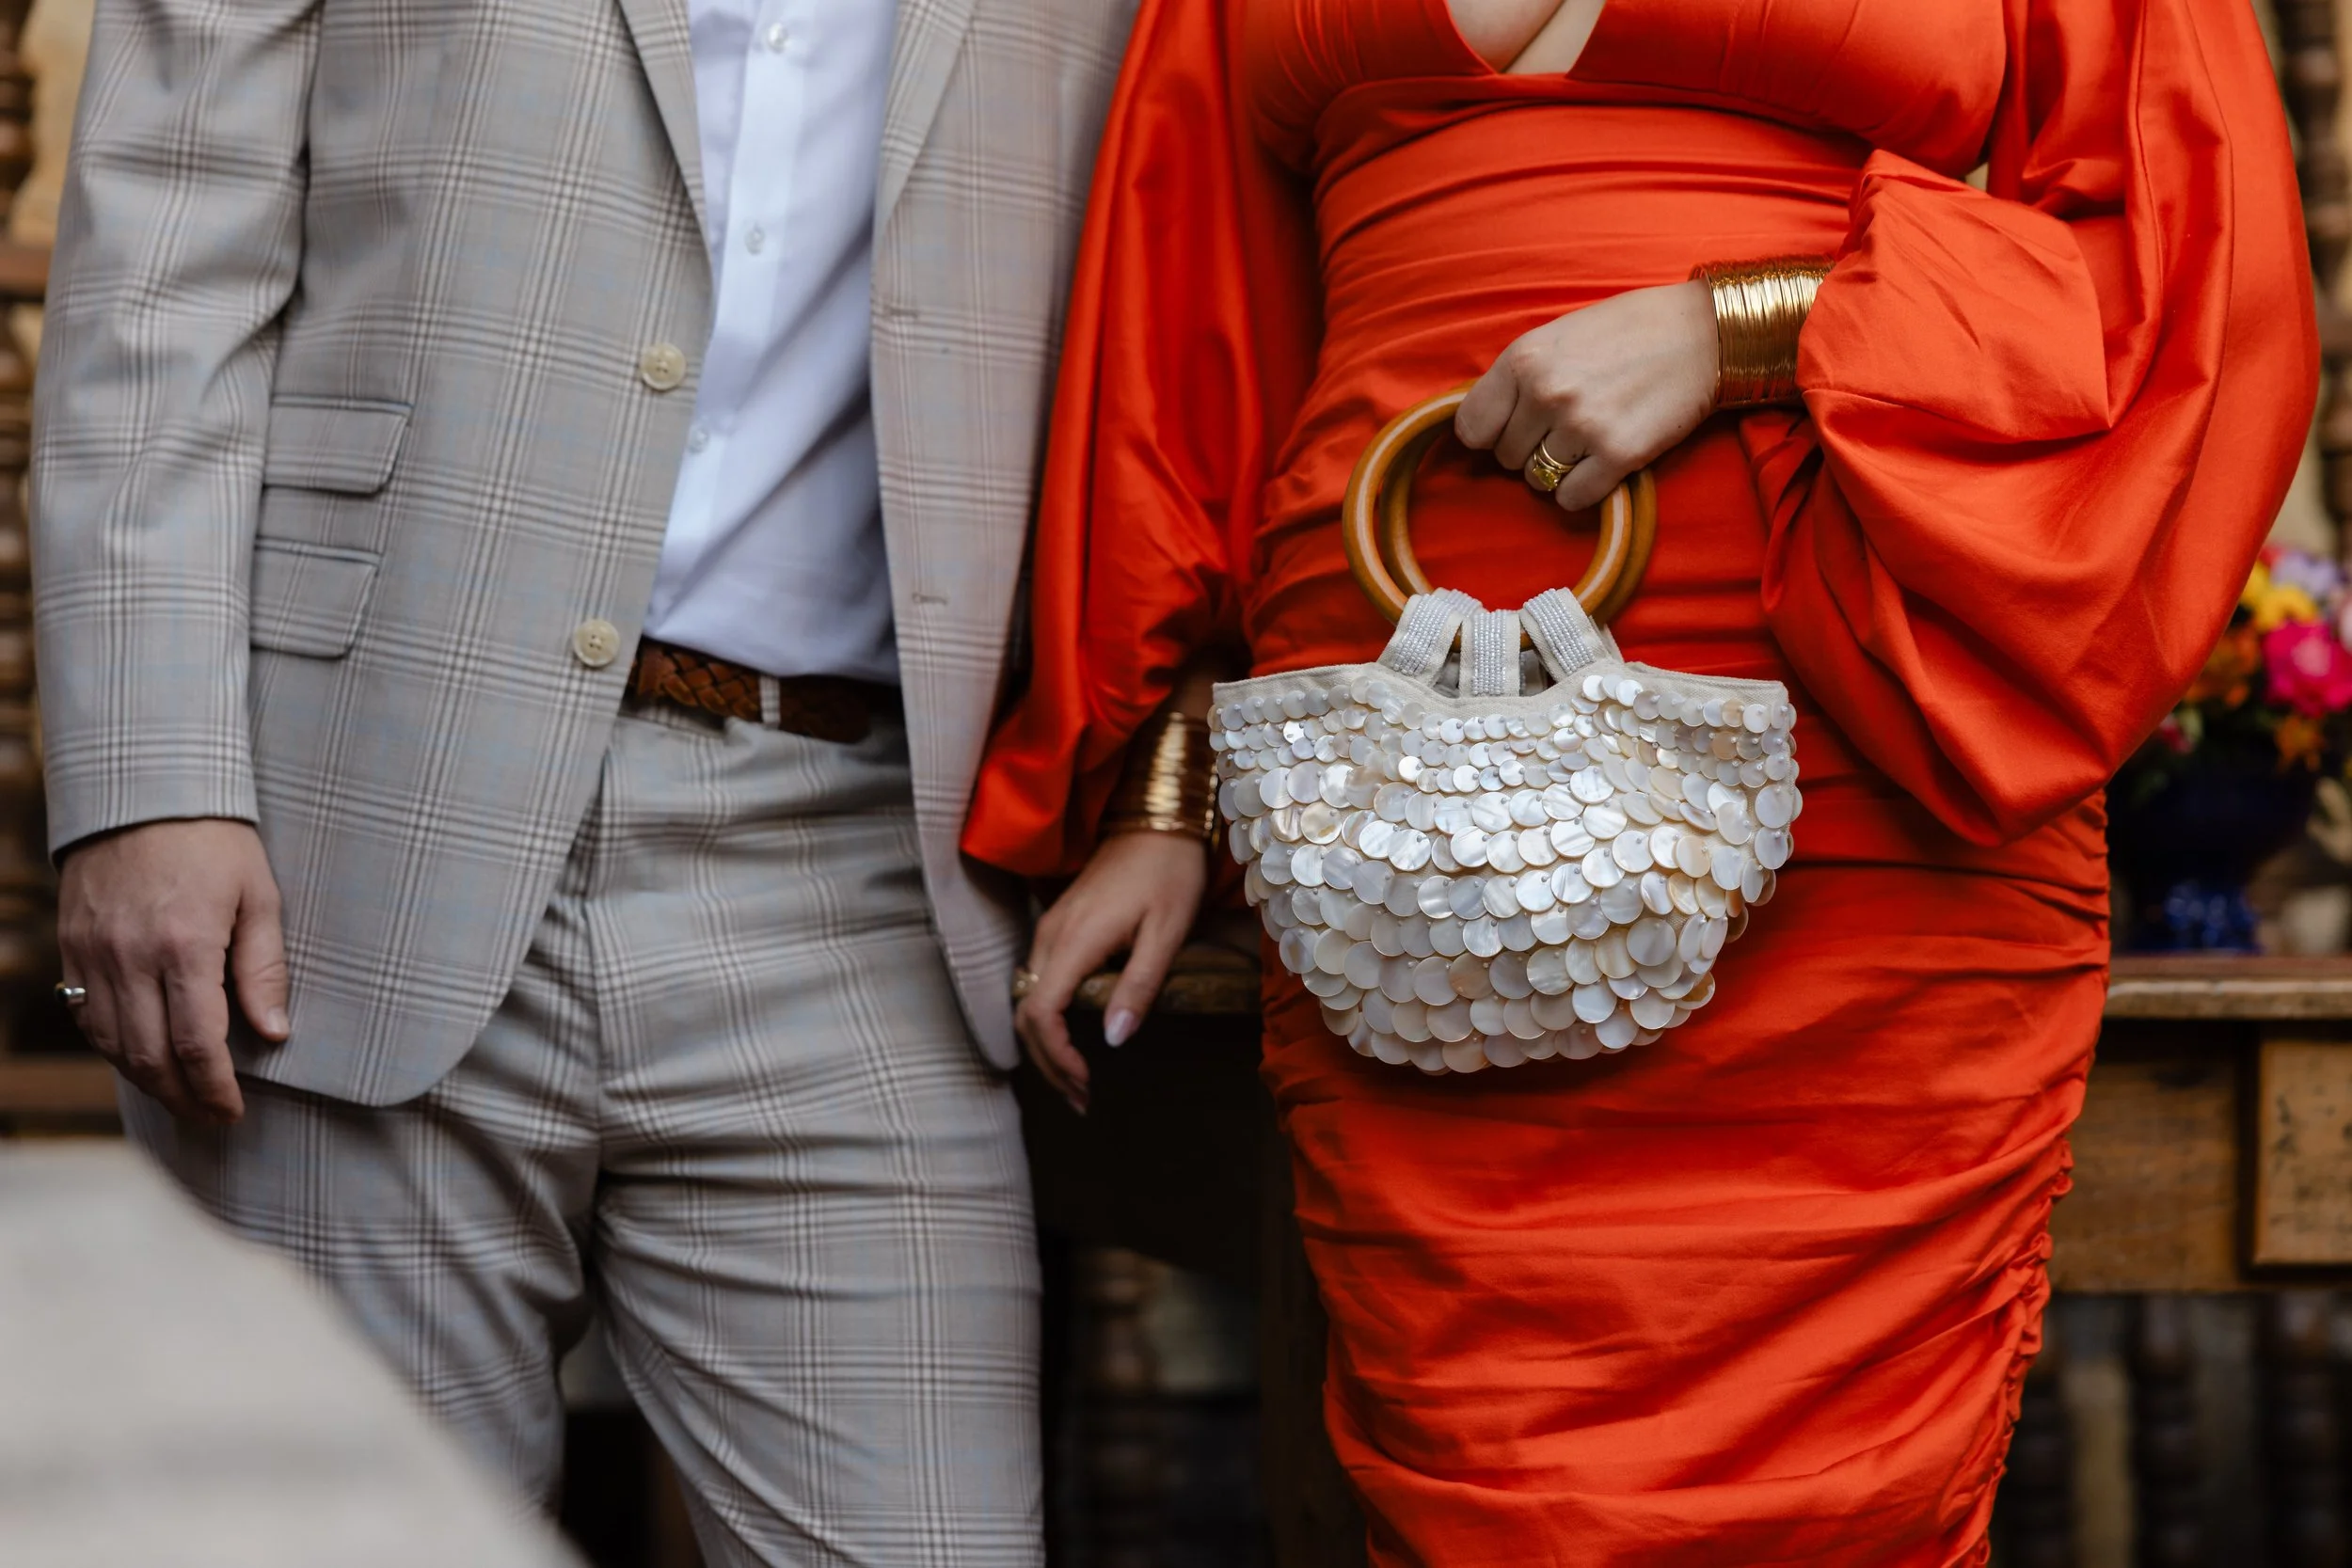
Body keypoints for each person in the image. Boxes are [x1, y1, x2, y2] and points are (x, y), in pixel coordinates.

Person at [968, 0, 2315, 1560]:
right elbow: (1196, 313)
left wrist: (1740, 325)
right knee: (1491, 1483)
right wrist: (1169, 781)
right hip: (1396, 821)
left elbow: (2186, 266)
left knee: (1848, 1498)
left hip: (1864, 758)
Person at [31, 0, 1132, 1560]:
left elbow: (1226, 230)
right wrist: (149, 777)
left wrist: (1168, 771)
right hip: (350, 826)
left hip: (862, 866)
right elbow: (166, 244)